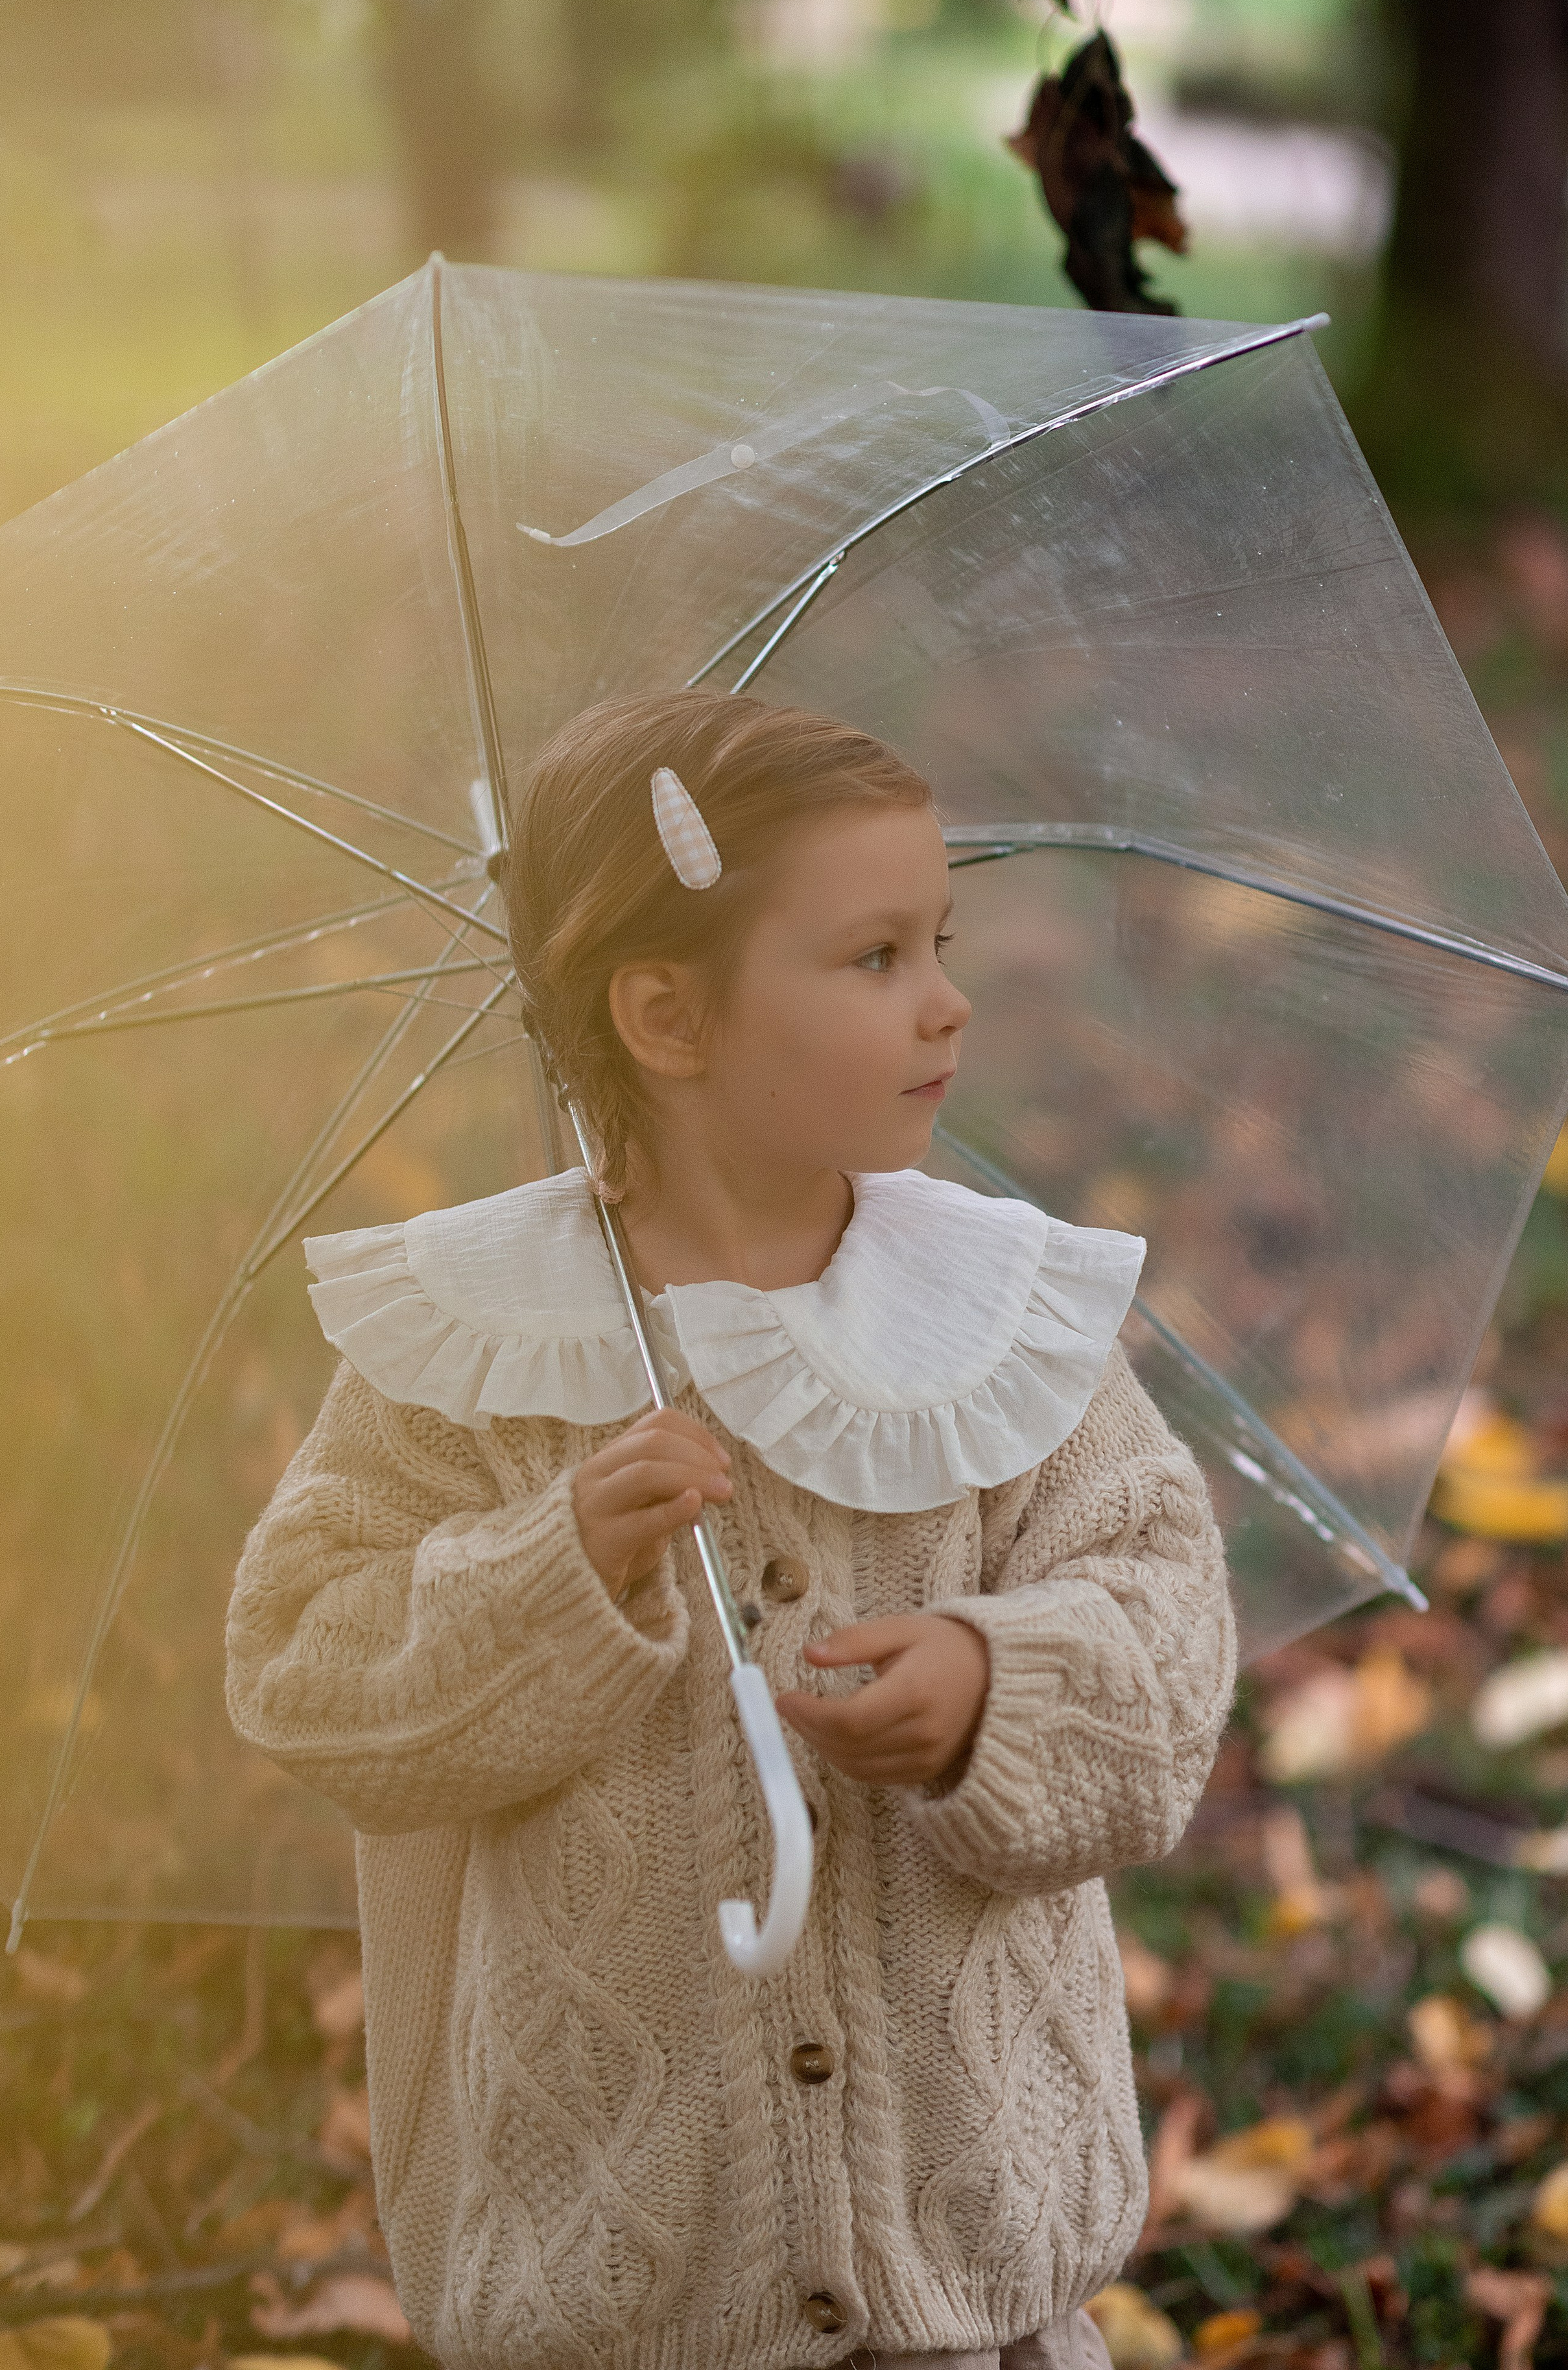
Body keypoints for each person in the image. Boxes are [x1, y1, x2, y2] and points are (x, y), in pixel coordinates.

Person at [226, 688, 1236, 2370]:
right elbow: (307, 1672)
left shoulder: (989, 1320)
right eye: (874, 959)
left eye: (942, 940)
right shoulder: (477, 1352)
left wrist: (994, 1682)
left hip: (956, 2259)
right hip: (628, 2269)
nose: (948, 1002)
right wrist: (560, 1569)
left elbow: (1166, 1626)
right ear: (666, 1019)